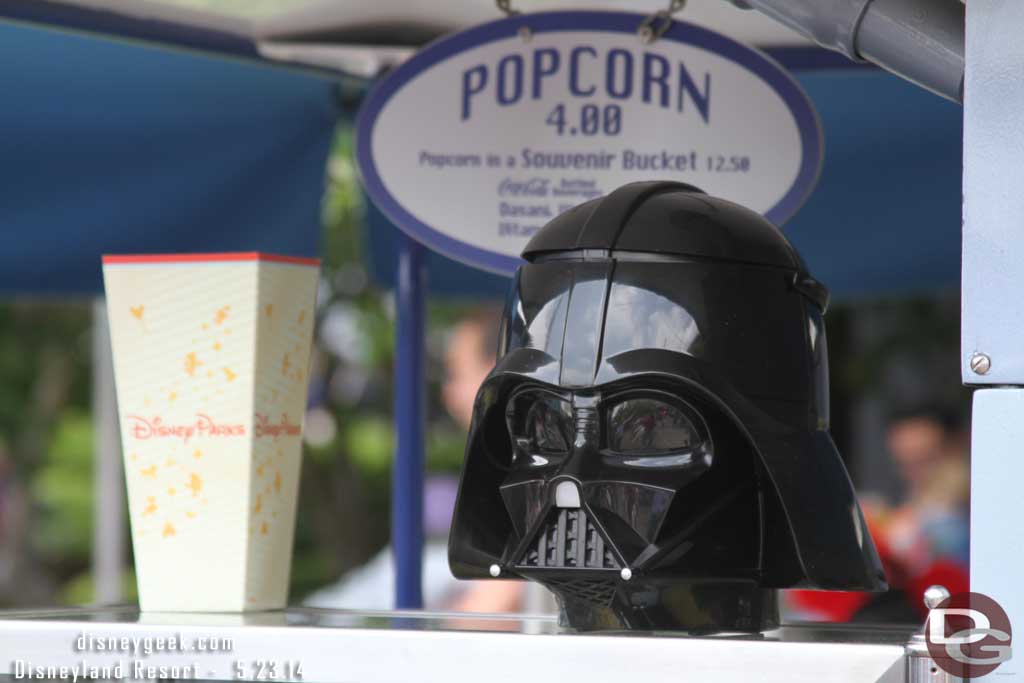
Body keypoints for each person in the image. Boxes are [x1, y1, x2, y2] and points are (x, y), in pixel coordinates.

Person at [307, 307, 526, 612]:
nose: (449, 394)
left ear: (495, 373)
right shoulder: (511, 472)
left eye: (457, 374)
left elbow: (490, 609)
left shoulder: (526, 479)